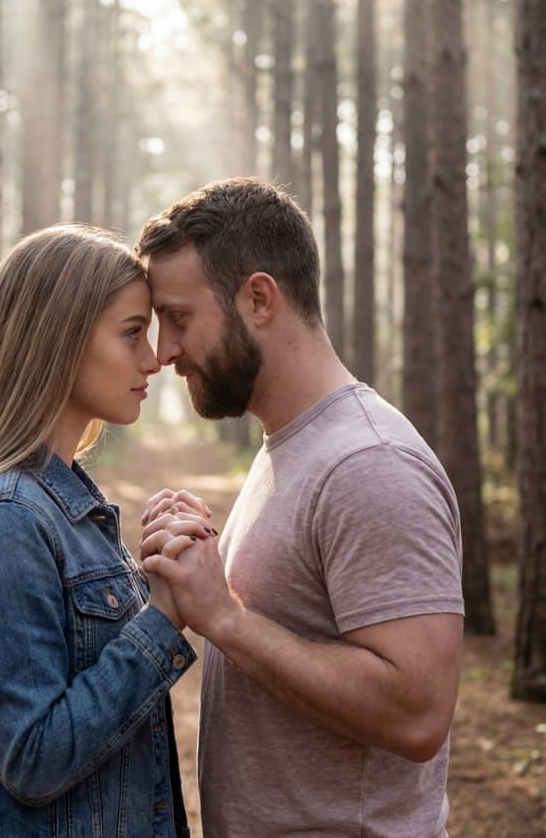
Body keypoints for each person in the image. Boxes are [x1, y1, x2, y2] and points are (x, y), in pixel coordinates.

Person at [136, 178, 465, 838]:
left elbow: (417, 716)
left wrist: (223, 618)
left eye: (178, 318)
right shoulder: (292, 444)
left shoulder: (369, 465)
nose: (164, 351)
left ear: (258, 298)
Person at [0, 225, 211, 838]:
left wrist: (157, 571)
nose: (152, 359)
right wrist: (163, 618)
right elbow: (35, 759)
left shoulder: (62, 505)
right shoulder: (6, 520)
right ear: (58, 340)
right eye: (130, 334)